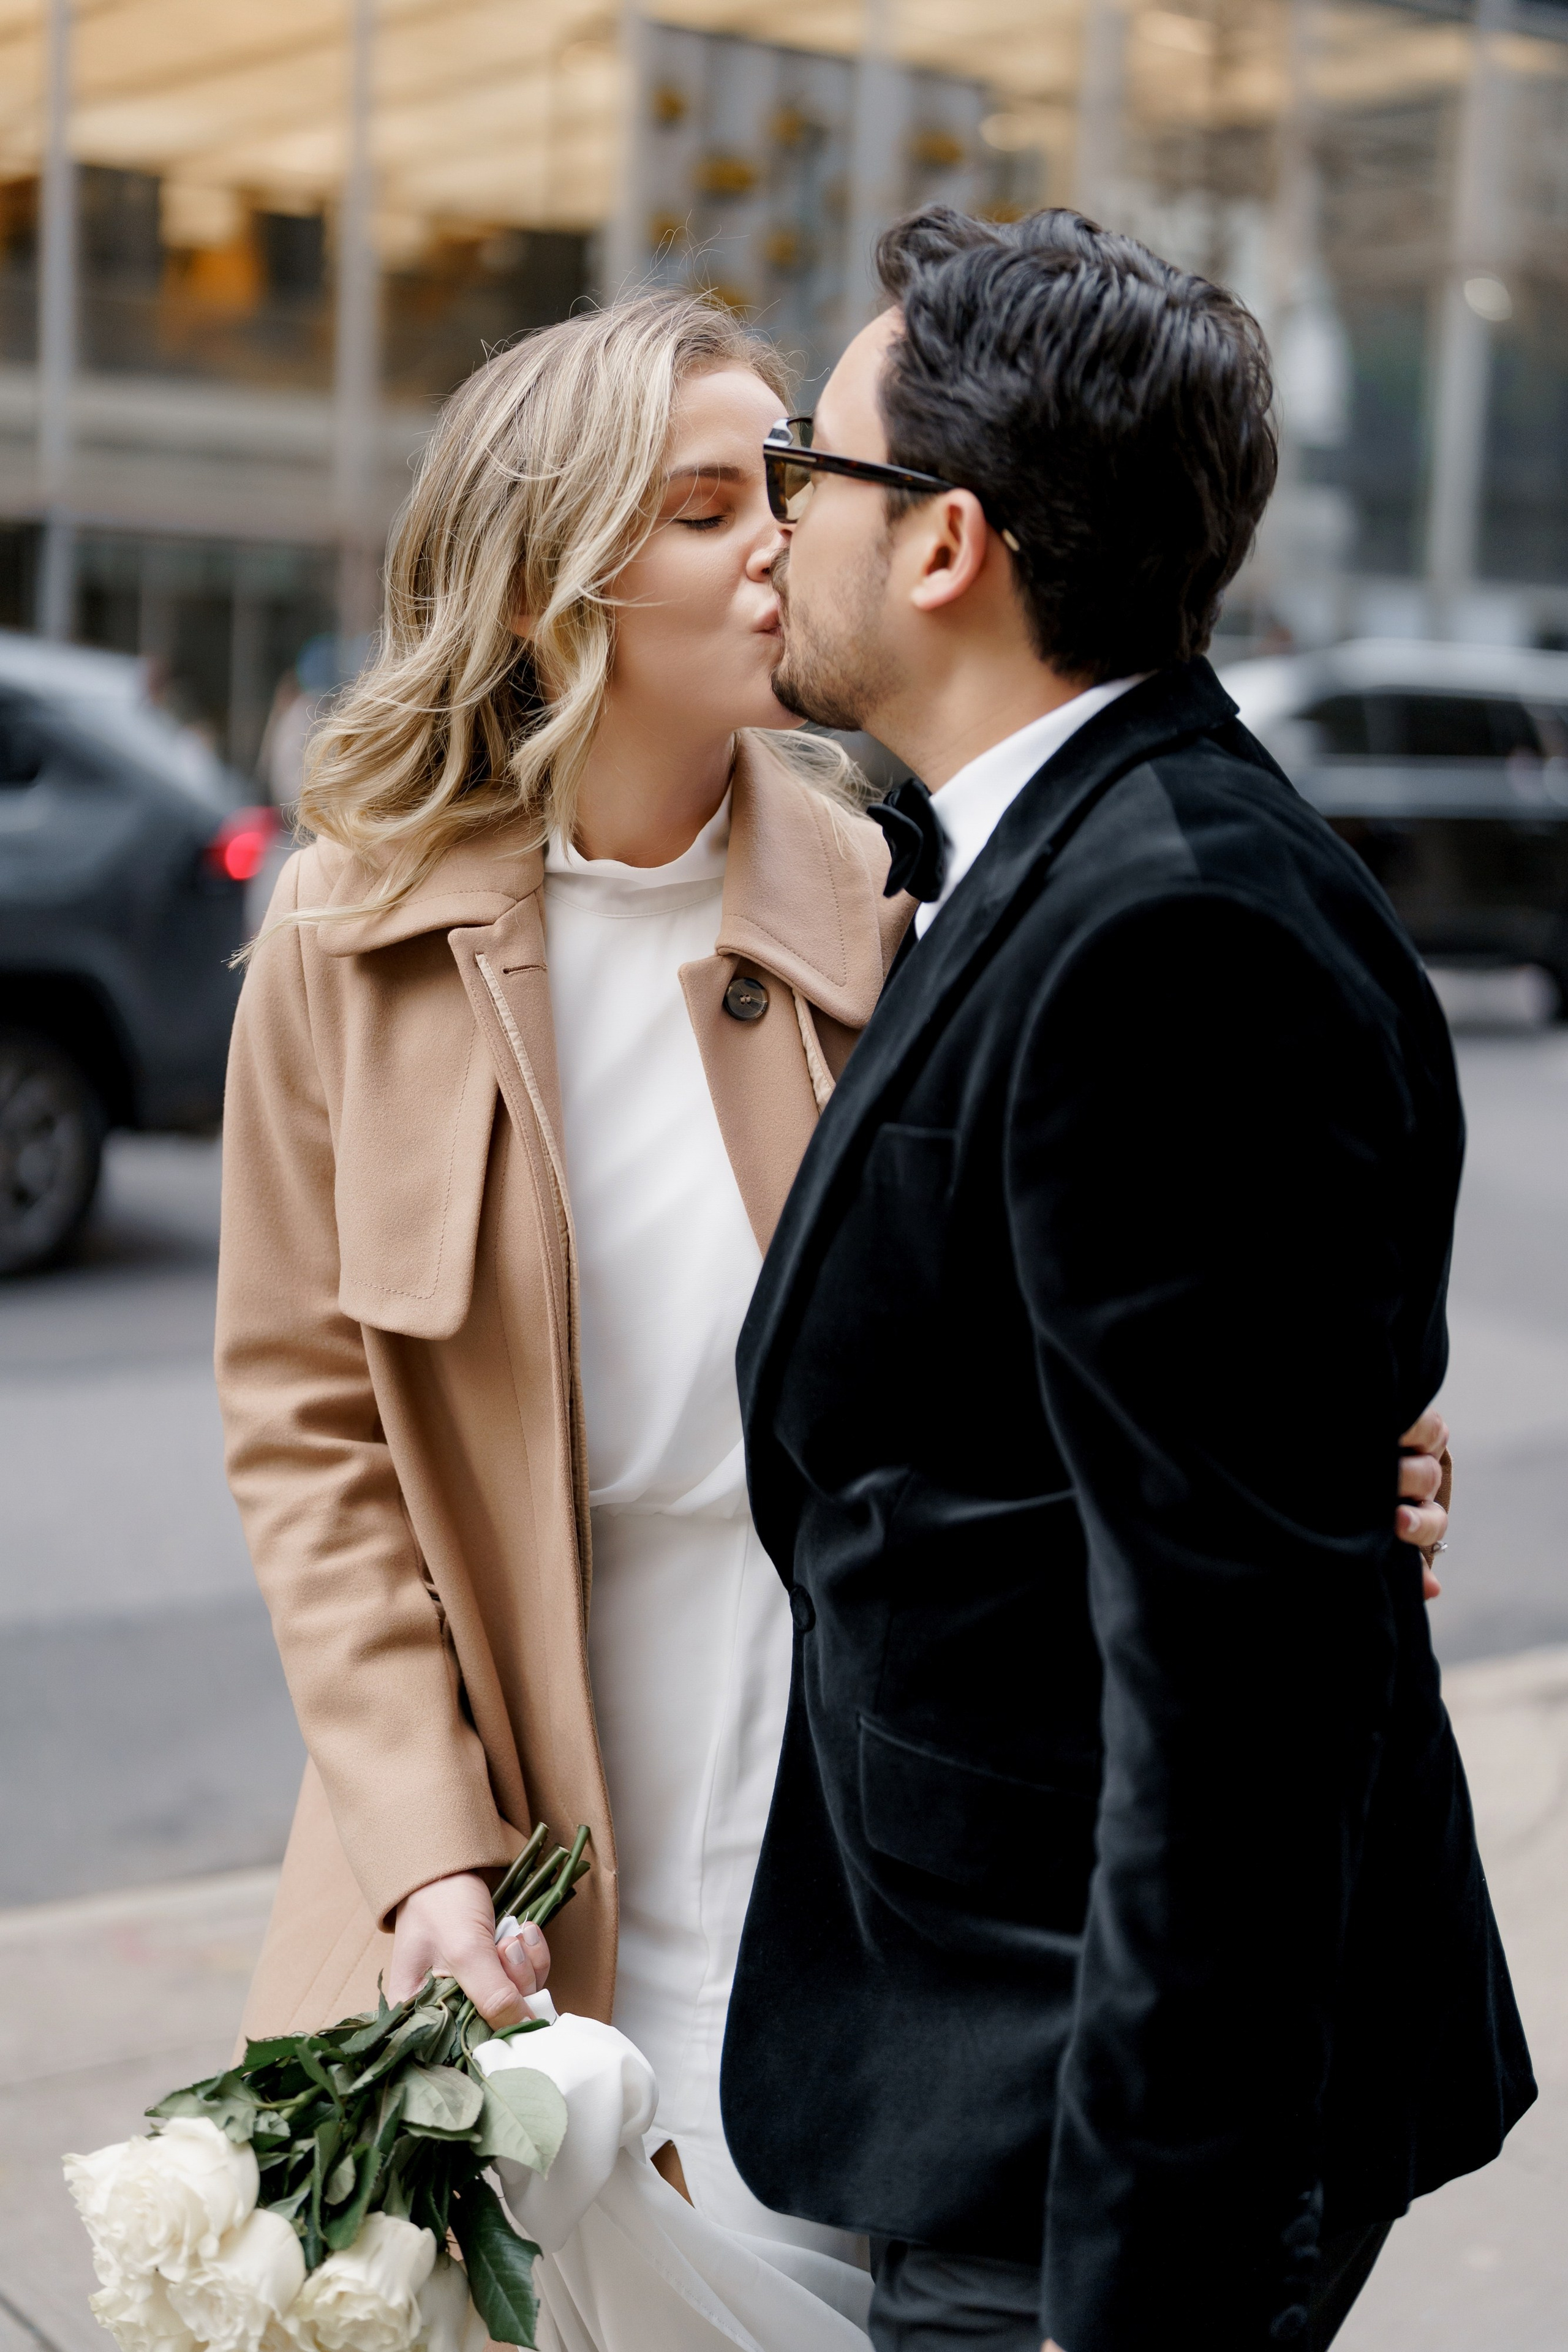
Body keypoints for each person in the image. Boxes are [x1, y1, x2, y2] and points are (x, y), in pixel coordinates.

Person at [216, 277, 1448, 2350]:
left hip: (852, 1850)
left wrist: (1336, 1451)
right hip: (517, 1837)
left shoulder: (904, 897)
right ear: (555, 577)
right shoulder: (350, 946)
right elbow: (310, 1441)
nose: (789, 528)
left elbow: (1118, 1317)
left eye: (796, 472)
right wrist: (428, 1858)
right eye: (716, 500)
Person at [720, 208, 1534, 2352]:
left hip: (1088, 2127)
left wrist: (1142, 2287)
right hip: (1008, 2059)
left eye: (815, 464)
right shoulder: (1061, 858)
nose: (782, 520)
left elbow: (1241, 1703)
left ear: (945, 544)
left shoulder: (1174, 937)